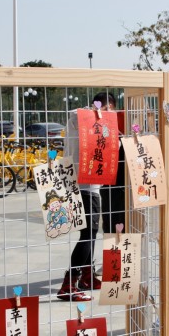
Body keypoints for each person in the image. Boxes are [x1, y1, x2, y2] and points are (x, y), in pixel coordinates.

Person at [56, 93, 115, 301]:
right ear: (107, 106)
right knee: (89, 233)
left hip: (80, 184)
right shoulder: (83, 118)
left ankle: (87, 276)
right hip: (86, 185)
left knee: (89, 232)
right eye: (109, 110)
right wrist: (97, 112)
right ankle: (69, 283)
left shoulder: (84, 120)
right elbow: (76, 116)